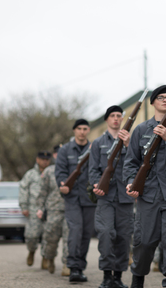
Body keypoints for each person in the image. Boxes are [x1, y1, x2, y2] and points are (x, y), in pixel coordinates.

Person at [124, 85, 166, 288]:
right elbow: (131, 162)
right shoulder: (141, 130)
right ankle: (138, 277)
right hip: (148, 195)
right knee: (144, 242)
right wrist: (130, 182)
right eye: (161, 97)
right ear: (153, 102)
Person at [89, 105, 134, 288]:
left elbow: (136, 164)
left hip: (125, 197)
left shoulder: (129, 141)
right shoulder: (98, 143)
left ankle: (118, 277)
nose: (116, 118)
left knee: (123, 238)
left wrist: (129, 145)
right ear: (107, 119)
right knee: (106, 234)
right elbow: (92, 171)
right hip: (106, 197)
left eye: (119, 116)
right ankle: (107, 276)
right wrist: (96, 185)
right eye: (112, 116)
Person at [55, 118, 96, 283]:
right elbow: (60, 171)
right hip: (72, 198)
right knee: (75, 231)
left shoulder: (94, 148)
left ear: (88, 131)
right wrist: (62, 184)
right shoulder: (65, 150)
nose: (82, 131)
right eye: (79, 128)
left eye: (85, 128)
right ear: (74, 130)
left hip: (89, 198)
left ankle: (80, 267)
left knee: (86, 234)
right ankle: (73, 267)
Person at [36, 144, 70, 276]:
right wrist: (40, 208)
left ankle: (67, 264)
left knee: (69, 239)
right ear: (55, 155)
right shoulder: (49, 171)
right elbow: (42, 192)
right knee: (50, 239)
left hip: (69, 209)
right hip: (53, 210)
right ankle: (49, 258)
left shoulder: (72, 168)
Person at [19, 151, 52, 269]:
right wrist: (24, 206)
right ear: (37, 160)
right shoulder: (30, 174)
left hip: (49, 210)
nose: (45, 161)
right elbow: (23, 189)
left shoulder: (52, 173)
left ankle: (45, 258)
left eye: (47, 159)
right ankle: (31, 251)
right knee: (31, 236)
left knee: (47, 236)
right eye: (42, 159)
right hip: (33, 209)